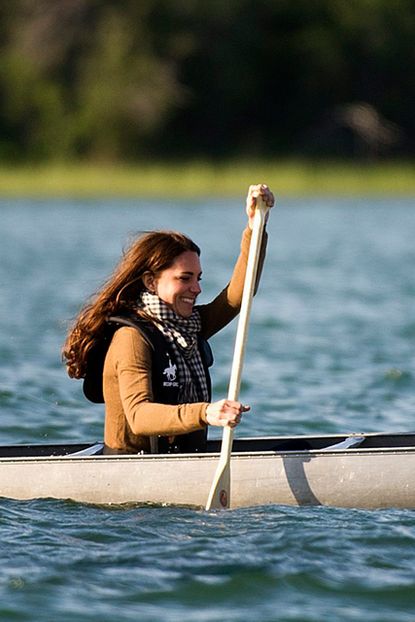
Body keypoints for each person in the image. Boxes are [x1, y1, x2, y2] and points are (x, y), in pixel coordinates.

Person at [63, 184, 275, 454]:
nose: (196, 288)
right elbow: (139, 416)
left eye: (198, 279)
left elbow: (239, 295)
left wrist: (256, 226)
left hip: (181, 461)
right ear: (150, 282)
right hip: (131, 473)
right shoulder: (131, 339)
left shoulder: (189, 326)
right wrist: (206, 413)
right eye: (184, 279)